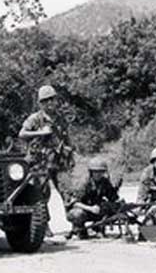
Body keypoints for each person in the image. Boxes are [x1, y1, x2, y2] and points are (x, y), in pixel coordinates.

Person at [19, 85, 73, 233]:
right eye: (45, 101)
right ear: (40, 103)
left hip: (58, 160)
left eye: (52, 100)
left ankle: (76, 222)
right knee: (41, 194)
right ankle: (44, 225)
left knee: (67, 190)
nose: (50, 103)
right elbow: (22, 134)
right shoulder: (35, 119)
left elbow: (66, 137)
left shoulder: (60, 119)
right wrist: (39, 133)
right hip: (39, 162)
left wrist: (70, 151)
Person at [64, 159, 122, 239]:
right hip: (82, 209)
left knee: (113, 208)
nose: (98, 174)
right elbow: (74, 202)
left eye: (101, 171)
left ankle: (99, 228)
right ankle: (80, 229)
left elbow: (113, 198)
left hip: (97, 210)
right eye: (96, 171)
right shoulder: (83, 183)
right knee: (78, 214)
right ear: (91, 172)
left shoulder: (105, 182)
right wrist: (90, 208)